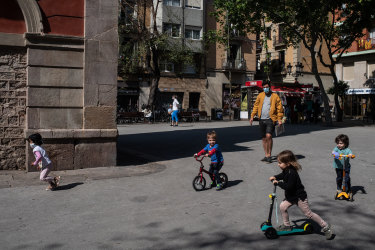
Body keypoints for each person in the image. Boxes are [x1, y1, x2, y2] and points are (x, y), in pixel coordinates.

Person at [269, 150, 333, 240]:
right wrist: (275, 177)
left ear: (288, 163)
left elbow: (289, 187)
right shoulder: (286, 170)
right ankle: (287, 225)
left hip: (299, 197)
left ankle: (325, 226)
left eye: (280, 163)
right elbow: (282, 175)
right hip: (291, 197)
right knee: (283, 207)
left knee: (308, 214)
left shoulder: (292, 173)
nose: (278, 164)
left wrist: (277, 183)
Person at [249, 81, 284, 163]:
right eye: (264, 87)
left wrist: (279, 119)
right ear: (262, 88)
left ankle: (269, 154)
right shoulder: (260, 95)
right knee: (264, 138)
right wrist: (252, 116)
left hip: (271, 119)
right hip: (261, 119)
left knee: (269, 136)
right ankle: (266, 155)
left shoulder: (275, 96)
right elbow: (256, 106)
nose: (265, 88)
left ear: (270, 87)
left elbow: (280, 108)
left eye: (267, 87)